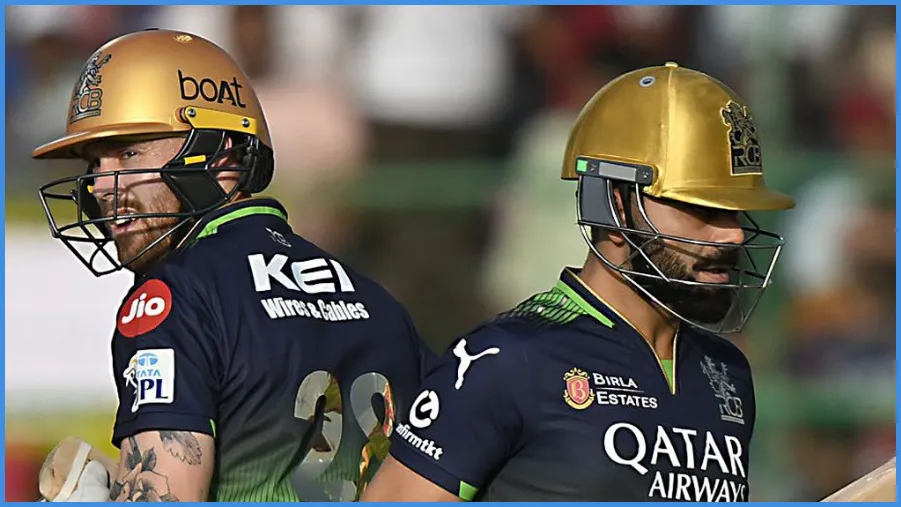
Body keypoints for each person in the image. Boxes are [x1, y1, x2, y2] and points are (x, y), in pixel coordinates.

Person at [360, 62, 795, 502]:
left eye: (735, 211)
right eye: (702, 208)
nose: (733, 234)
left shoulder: (726, 371)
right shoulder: (508, 360)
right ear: (617, 204)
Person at [32, 28, 433, 502]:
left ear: (219, 155)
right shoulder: (380, 305)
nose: (101, 186)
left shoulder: (172, 299)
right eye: (95, 164)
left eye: (129, 152)